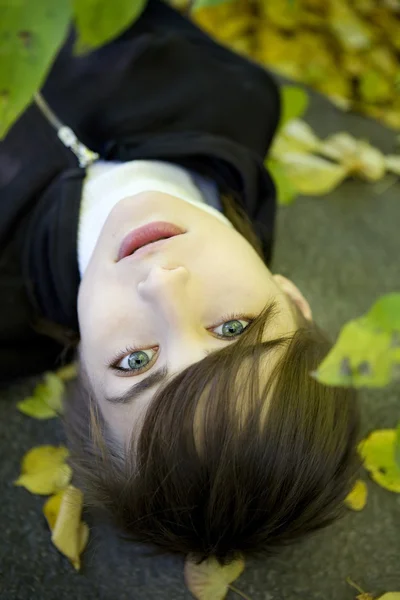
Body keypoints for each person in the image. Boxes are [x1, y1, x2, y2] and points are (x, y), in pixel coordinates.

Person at [0, 0, 362, 567]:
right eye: (235, 328)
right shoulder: (240, 97)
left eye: (135, 363)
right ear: (292, 298)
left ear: (85, 375)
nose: (164, 285)